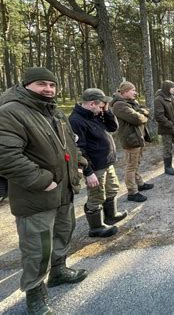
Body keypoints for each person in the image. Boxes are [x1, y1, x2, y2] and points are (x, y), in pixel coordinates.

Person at [0, 67, 87, 315]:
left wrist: (80, 163)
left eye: (52, 85)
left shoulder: (54, 112)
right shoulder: (10, 113)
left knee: (63, 233)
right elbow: (3, 157)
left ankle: (59, 271)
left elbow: (69, 146)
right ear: (26, 85)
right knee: (37, 248)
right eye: (42, 84)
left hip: (64, 190)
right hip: (36, 196)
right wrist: (42, 180)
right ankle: (35, 294)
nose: (48, 89)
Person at [69, 88, 127, 238]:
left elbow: (113, 127)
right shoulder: (76, 120)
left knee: (112, 189)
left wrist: (106, 111)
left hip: (107, 162)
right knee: (96, 197)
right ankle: (96, 228)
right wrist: (88, 172)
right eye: (101, 106)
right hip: (95, 167)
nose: (102, 109)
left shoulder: (96, 114)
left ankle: (111, 216)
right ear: (92, 103)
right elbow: (78, 149)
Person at [111, 81, 154, 202]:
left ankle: (139, 183)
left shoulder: (131, 102)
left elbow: (145, 110)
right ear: (124, 92)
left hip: (137, 138)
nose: (136, 92)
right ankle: (132, 192)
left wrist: (142, 113)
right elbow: (137, 118)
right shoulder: (119, 105)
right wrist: (142, 115)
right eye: (133, 90)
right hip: (131, 140)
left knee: (136, 163)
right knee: (131, 166)